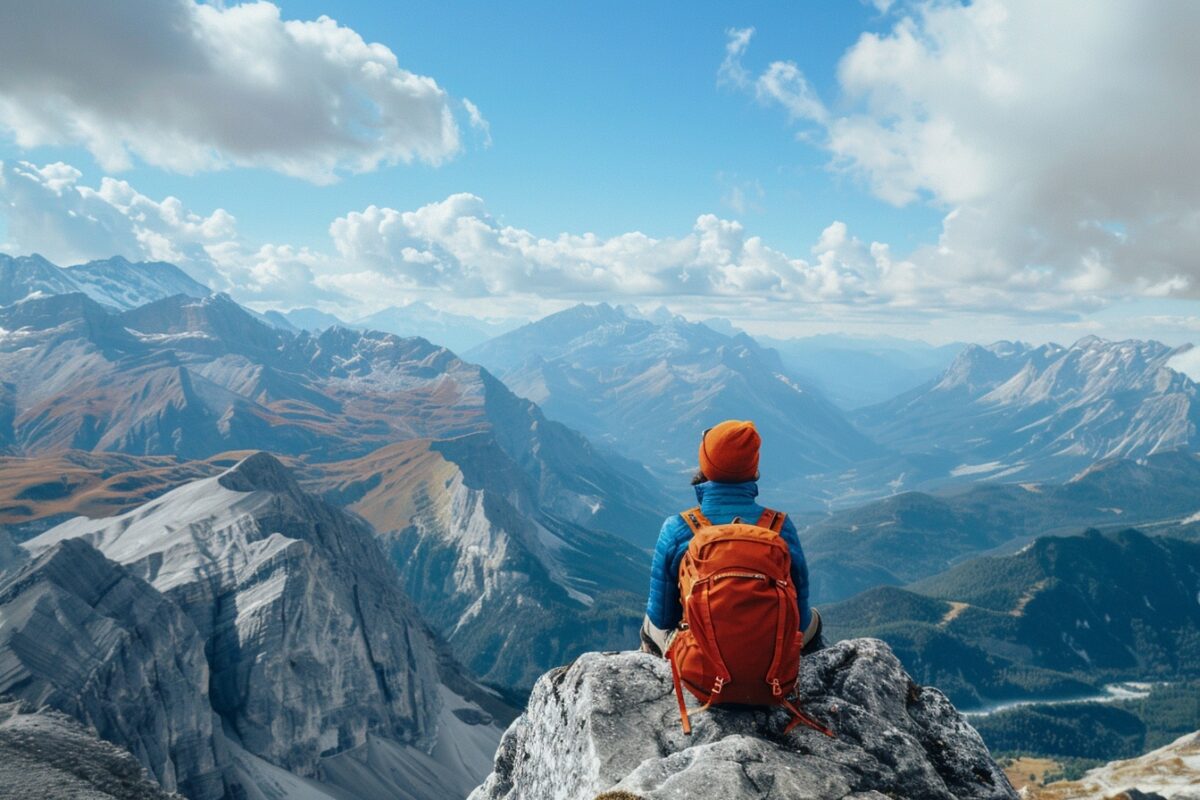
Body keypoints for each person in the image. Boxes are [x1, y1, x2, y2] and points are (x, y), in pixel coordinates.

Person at [640, 419, 824, 658]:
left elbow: (662, 617)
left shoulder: (677, 528)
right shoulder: (780, 527)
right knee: (814, 620)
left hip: (701, 665)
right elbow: (799, 620)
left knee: (649, 625)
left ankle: (660, 675)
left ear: (704, 464)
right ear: (753, 470)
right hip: (769, 661)